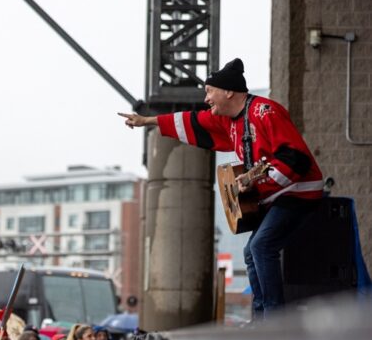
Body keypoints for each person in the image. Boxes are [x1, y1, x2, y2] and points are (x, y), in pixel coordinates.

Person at [119, 58, 323, 320]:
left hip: (299, 191)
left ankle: (274, 318)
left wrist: (258, 182)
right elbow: (192, 121)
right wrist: (147, 120)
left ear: (228, 91)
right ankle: (260, 316)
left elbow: (296, 158)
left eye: (209, 91)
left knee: (261, 247)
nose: (206, 99)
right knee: (251, 252)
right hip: (277, 195)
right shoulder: (229, 121)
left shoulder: (266, 112)